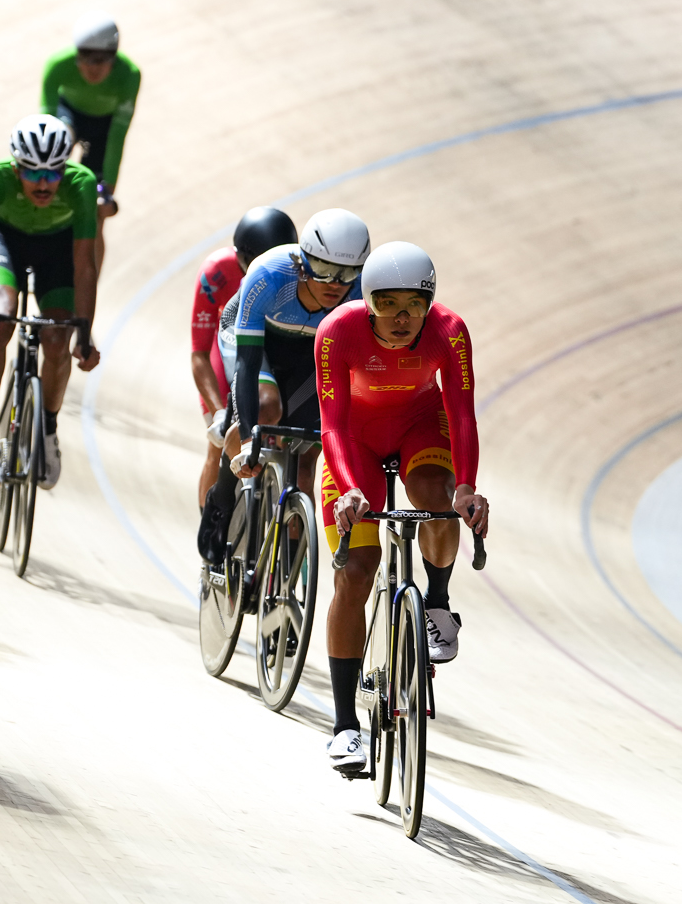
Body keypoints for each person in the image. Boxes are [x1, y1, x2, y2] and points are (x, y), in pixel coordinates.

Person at [316, 243, 489, 777]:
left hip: (420, 426)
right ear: (367, 303)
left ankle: (436, 603)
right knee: (356, 576)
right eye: (386, 304)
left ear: (430, 304)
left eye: (413, 305)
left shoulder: (450, 332)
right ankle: (346, 726)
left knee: (437, 500)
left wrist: (466, 487)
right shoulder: (337, 332)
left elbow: (460, 412)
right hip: (356, 443)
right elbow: (334, 425)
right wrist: (348, 488)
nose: (400, 318)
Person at [198, 209, 369, 564]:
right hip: (256, 341)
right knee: (265, 409)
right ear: (303, 262)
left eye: (347, 273)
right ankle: (222, 497)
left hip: (309, 351)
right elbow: (246, 363)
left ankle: (288, 572)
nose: (335, 284)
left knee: (307, 457)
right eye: (324, 270)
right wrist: (248, 438)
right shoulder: (269, 274)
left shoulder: (362, 292)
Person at [0, 116, 101, 488]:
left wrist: (84, 334)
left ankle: (49, 432)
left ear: (64, 168)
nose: (43, 184)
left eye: (53, 174)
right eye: (33, 174)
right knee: (0, 321)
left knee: (57, 339)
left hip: (58, 250)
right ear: (15, 167)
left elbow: (85, 266)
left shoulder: (82, 184)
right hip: (9, 242)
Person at [190, 207, 298, 506]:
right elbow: (199, 353)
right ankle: (212, 522)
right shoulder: (216, 272)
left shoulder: (297, 272)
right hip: (230, 348)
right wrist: (218, 411)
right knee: (220, 442)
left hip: (271, 351)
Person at [38, 12, 140, 283]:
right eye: (85, 57)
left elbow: (118, 136)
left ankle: (87, 285)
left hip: (104, 128)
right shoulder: (57, 65)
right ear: (75, 54)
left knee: (96, 215)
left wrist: (107, 189)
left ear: (114, 57)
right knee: (58, 141)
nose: (93, 67)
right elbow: (45, 129)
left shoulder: (129, 75)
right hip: (68, 114)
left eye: (102, 60)